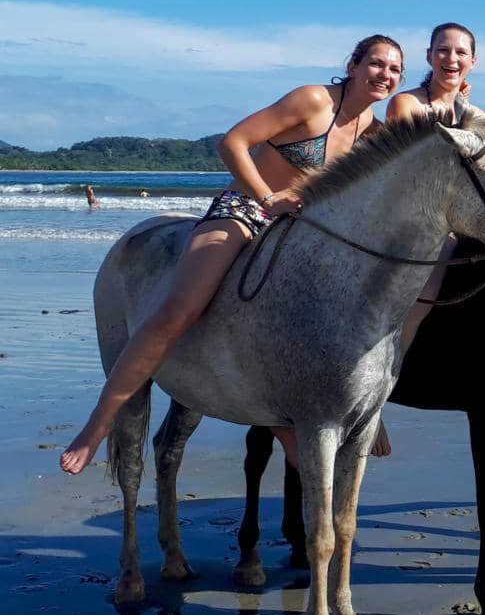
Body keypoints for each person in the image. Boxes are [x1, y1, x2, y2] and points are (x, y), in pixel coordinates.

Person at [60, 35, 405, 475]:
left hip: (301, 232)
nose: (385, 75)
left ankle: (368, 405)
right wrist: (267, 196)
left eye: (395, 70)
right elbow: (234, 142)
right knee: (177, 311)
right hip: (245, 209)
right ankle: (97, 424)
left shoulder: (375, 134)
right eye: (377, 64)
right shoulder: (314, 101)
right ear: (354, 65)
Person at [387, 23, 484, 349]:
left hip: (458, 218)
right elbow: (414, 169)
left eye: (461, 52)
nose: (451, 58)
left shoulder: (477, 115)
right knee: (422, 295)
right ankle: (393, 363)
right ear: (429, 56)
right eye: (443, 50)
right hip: (411, 215)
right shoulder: (407, 104)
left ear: (473, 61)